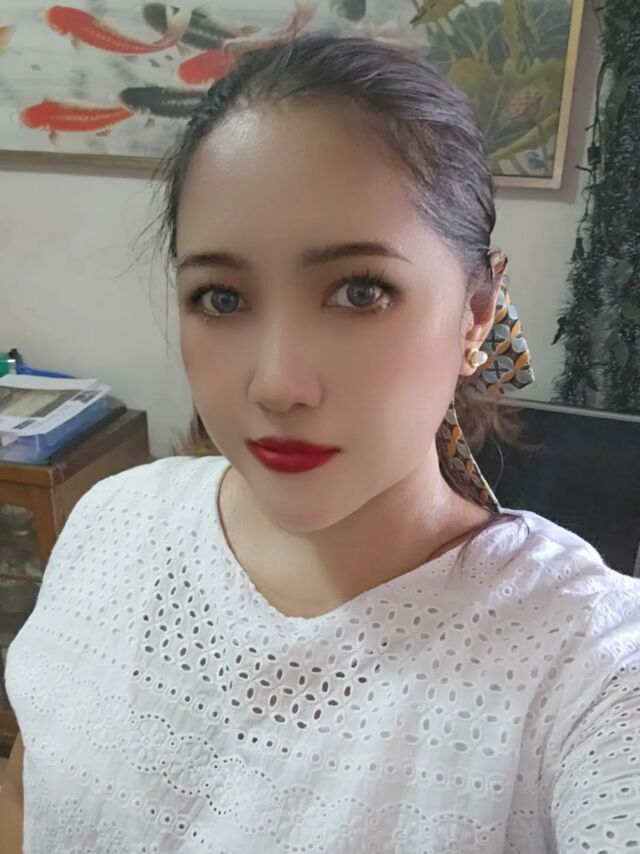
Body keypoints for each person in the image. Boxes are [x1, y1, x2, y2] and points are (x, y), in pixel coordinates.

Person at [2, 34, 640, 854]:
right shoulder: (109, 523)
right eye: (222, 298)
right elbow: (27, 794)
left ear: (476, 312)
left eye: (359, 291)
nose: (277, 385)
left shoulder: (587, 668)